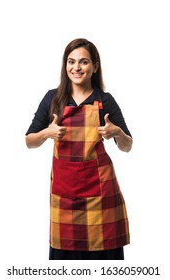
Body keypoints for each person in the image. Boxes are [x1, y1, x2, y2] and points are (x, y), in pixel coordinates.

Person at [25, 38, 133, 260]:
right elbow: (29, 140)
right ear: (65, 65)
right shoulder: (53, 98)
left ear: (95, 66)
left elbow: (127, 146)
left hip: (101, 193)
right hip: (64, 193)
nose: (76, 67)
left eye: (83, 62)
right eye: (71, 61)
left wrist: (118, 133)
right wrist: (47, 133)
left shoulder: (104, 100)